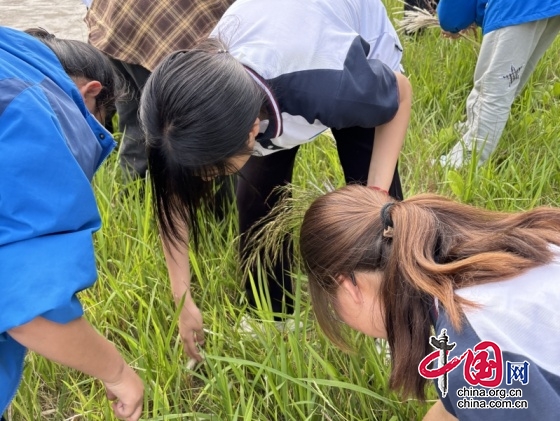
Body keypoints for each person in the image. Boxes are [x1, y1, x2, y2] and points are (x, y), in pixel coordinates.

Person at [140, 0, 412, 361]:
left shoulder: (330, 86)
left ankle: (396, 318)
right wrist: (182, 300)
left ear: (253, 130)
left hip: (350, 52)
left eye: (215, 171)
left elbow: (400, 92)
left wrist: (376, 194)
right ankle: (272, 313)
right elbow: (172, 199)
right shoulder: (182, 110)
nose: (208, 181)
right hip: (277, 56)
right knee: (256, 199)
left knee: (374, 205)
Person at [299, 184, 560, 420]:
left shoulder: (474, 356)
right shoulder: (492, 255)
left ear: (349, 287)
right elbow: (453, 410)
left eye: (332, 306)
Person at [0, 27, 143, 421]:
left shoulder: (9, 54)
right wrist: (118, 373)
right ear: (91, 93)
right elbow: (31, 308)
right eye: (102, 120)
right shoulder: (35, 115)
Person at [84, 0, 235, 180]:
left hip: (114, 18)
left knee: (133, 118)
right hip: (163, 28)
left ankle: (130, 191)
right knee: (180, 125)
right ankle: (188, 196)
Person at [437, 0, 560, 168]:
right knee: (509, 81)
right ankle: (475, 126)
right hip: (548, 6)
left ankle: (461, 164)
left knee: (493, 91)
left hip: (515, 5)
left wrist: (451, 22)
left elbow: (451, 14)